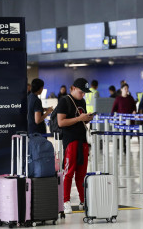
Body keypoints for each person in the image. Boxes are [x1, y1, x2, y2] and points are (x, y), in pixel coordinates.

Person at [57, 78, 93, 214]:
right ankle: (65, 201)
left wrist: (87, 119)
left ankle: (82, 200)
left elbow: (80, 119)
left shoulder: (82, 101)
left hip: (82, 140)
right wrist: (79, 119)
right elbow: (61, 122)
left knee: (81, 173)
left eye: (84, 93)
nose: (82, 95)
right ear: (72, 88)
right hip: (70, 141)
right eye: (80, 92)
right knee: (69, 172)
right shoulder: (64, 101)